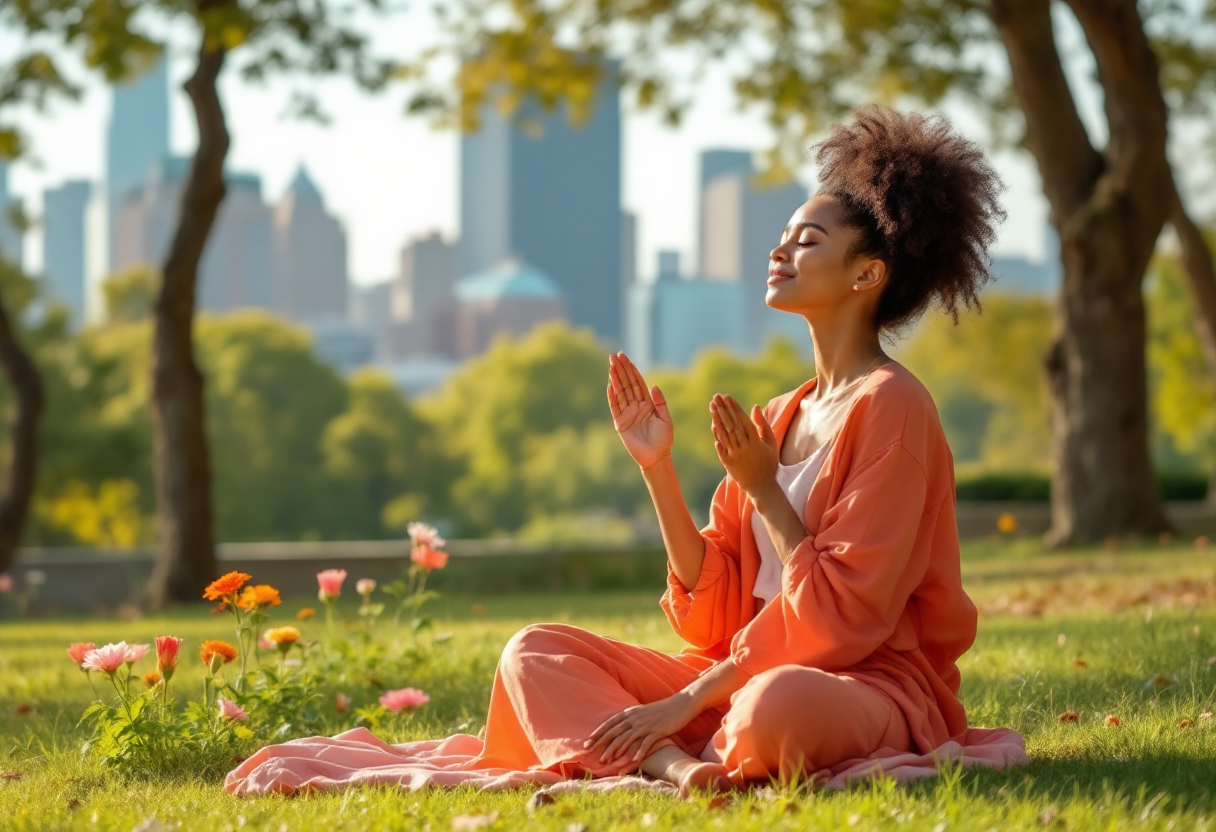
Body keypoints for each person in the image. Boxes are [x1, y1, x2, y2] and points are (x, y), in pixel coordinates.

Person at [226, 105, 1026, 797]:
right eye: (781, 236)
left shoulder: (895, 409)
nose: (779, 251)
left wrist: (764, 499)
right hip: (731, 672)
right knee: (532, 651)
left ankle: (677, 744)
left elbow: (848, 620)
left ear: (868, 274)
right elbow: (711, 610)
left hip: (860, 684)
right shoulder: (775, 414)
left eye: (807, 239)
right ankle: (678, 768)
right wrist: (658, 470)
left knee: (777, 709)